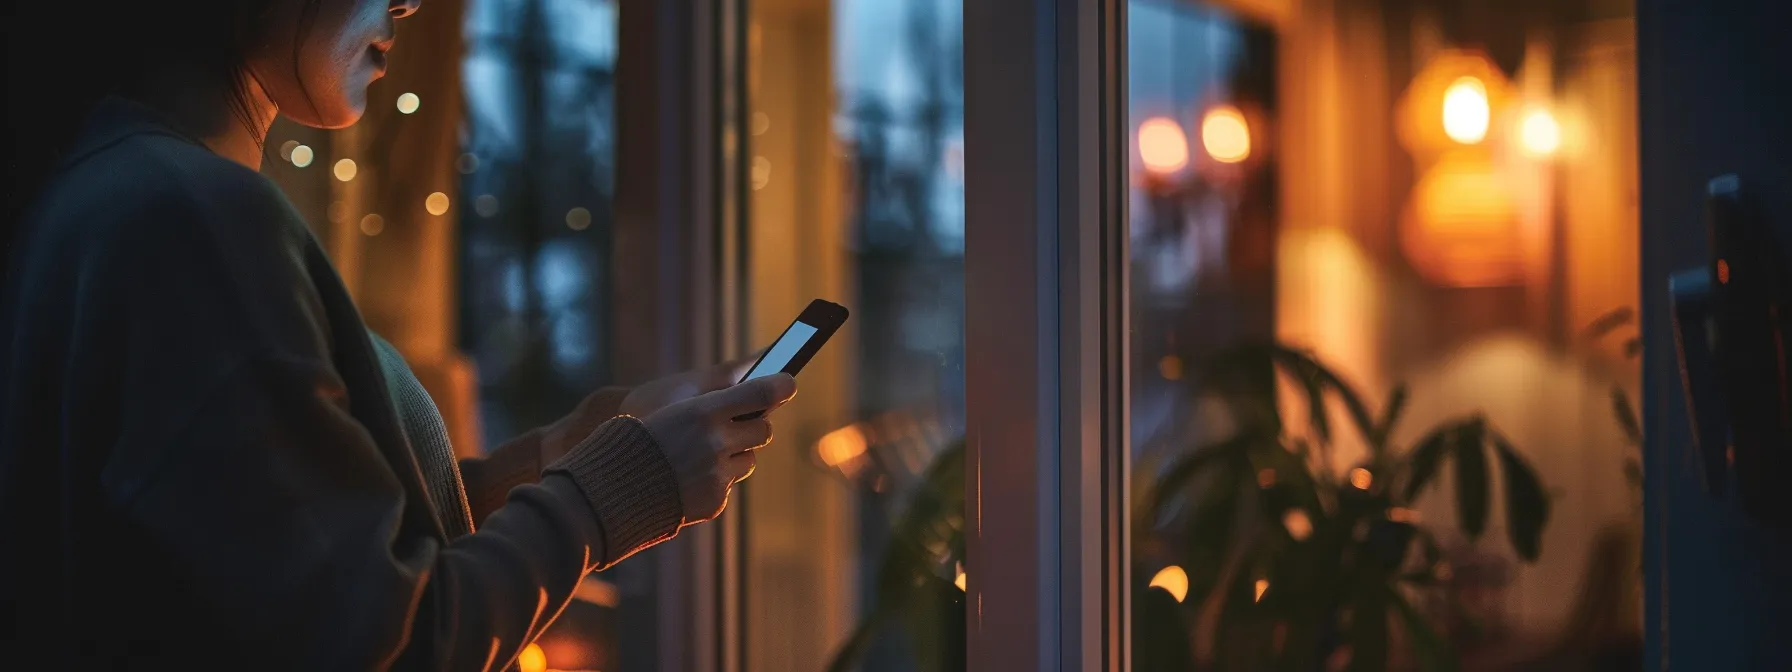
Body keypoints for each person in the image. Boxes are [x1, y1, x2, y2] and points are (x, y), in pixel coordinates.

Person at [0, 0, 795, 668]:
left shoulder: (130, 189)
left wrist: (562, 452)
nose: (413, 1)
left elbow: (284, 555)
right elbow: (382, 642)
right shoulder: (193, 220)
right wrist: (620, 492)